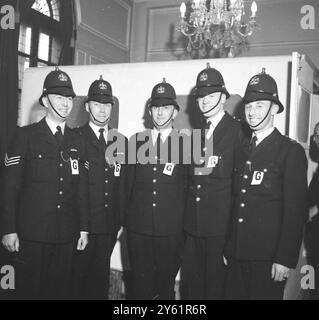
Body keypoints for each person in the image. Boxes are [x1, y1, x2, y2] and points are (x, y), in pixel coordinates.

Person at [0, 67, 89, 300]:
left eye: (69, 98)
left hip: (65, 236)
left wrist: (83, 228)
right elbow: (9, 187)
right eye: (59, 97)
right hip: (32, 236)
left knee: (58, 294)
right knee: (28, 293)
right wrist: (8, 229)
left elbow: (80, 189)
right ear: (45, 101)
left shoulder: (77, 141)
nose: (65, 103)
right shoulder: (24, 136)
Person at [224, 69, 308, 300]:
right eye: (248, 106)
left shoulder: (290, 151)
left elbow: (295, 212)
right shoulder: (242, 150)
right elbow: (236, 201)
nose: (251, 112)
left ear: (274, 109)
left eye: (259, 106)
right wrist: (229, 247)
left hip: (268, 259)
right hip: (237, 253)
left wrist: (285, 258)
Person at [183, 64, 245, 300]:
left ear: (223, 98)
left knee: (216, 291)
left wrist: (232, 236)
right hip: (194, 229)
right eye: (201, 97)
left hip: (220, 231)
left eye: (211, 96)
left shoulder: (238, 132)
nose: (205, 101)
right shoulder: (197, 134)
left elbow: (240, 190)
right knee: (194, 292)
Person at [126, 79, 188, 300]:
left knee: (165, 288)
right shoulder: (136, 142)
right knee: (140, 288)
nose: (161, 113)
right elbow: (127, 188)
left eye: (166, 107)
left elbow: (188, 190)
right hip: (138, 231)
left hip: (171, 232)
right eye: (156, 107)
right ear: (150, 112)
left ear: (175, 112)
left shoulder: (185, 144)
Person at [72, 76, 127, 300]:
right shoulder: (75, 137)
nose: (102, 110)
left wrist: (120, 221)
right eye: (97, 104)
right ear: (87, 107)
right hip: (81, 226)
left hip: (108, 226)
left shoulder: (120, 141)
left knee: (99, 283)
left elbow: (122, 184)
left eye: (107, 105)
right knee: (76, 283)